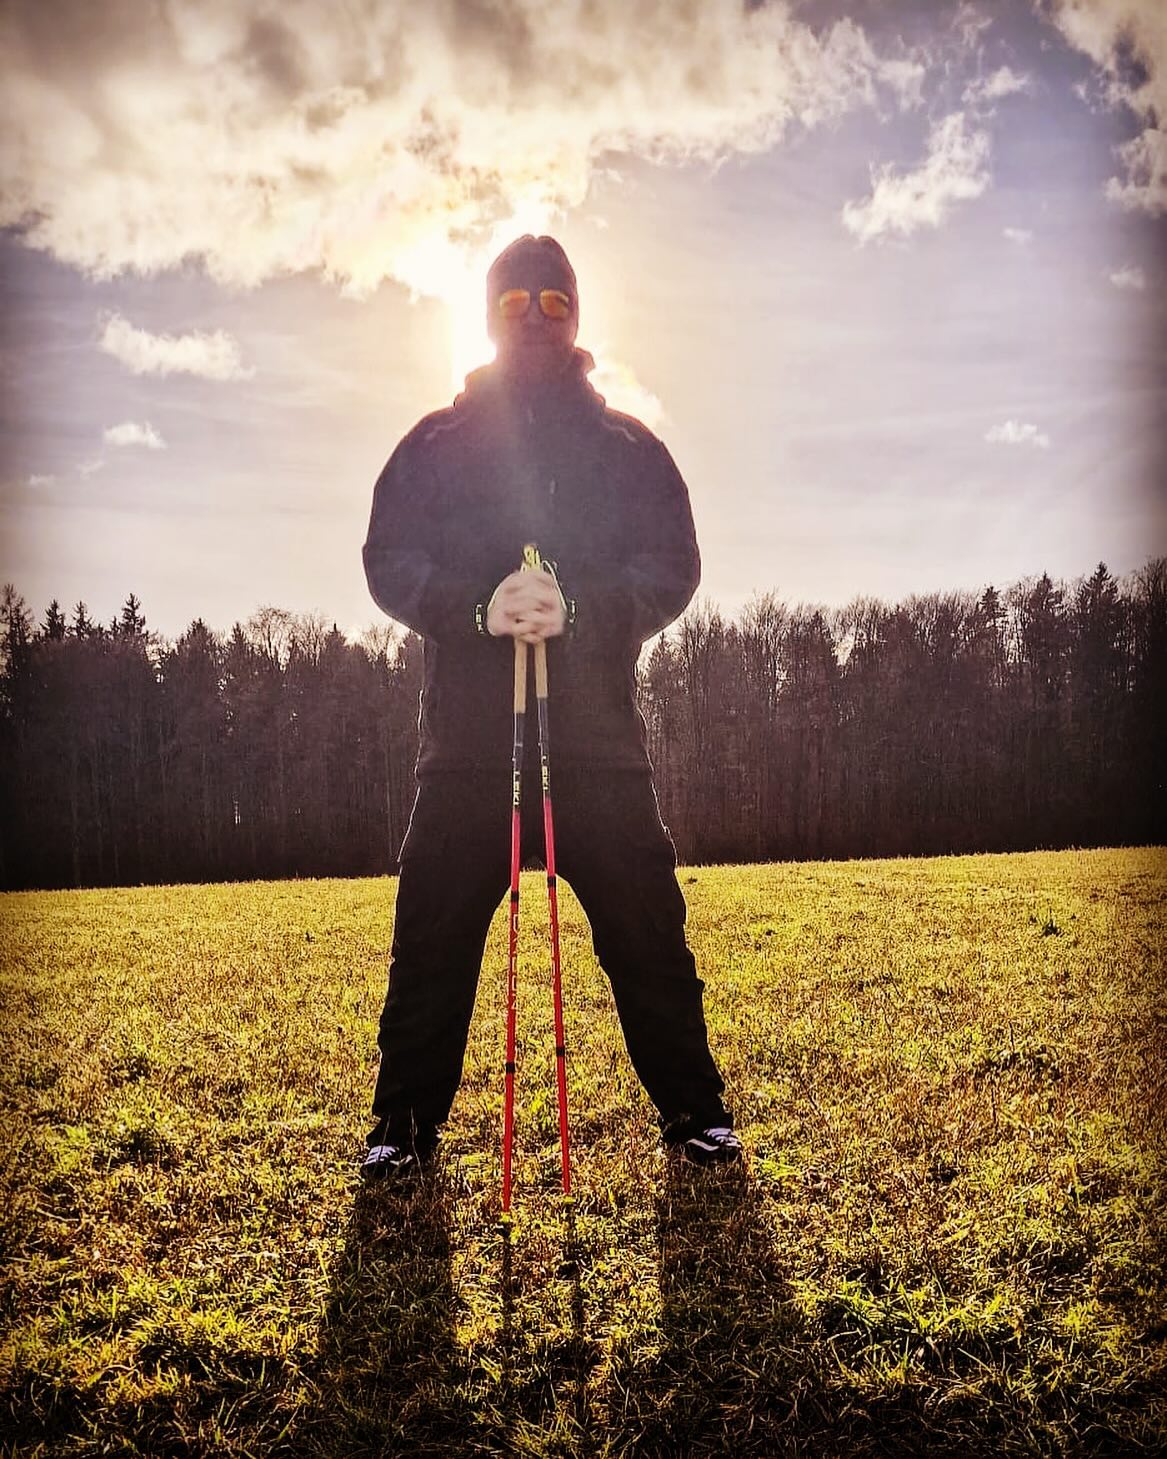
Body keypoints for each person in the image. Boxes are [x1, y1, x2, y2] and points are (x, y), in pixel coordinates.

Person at [360, 234, 740, 1180]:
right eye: (514, 301)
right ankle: (399, 1130)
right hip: (467, 751)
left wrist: (582, 608)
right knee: (431, 949)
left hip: (598, 745)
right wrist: (474, 606)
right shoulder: (435, 444)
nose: (534, 317)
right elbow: (386, 559)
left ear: (578, 313)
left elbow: (672, 568)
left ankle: (697, 1116)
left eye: (555, 302)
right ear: (486, 313)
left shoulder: (627, 447)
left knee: (650, 937)